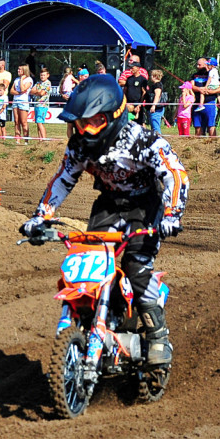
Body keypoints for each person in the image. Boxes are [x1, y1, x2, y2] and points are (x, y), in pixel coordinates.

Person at [20, 74, 189, 373]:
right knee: (90, 267)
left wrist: (172, 214)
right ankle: (97, 322)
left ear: (113, 116)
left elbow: (174, 174)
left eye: (93, 122)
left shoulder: (144, 140)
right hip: (108, 207)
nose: (85, 130)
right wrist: (40, 216)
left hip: (145, 208)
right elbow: (63, 179)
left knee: (137, 269)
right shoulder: (80, 147)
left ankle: (157, 335)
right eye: (81, 123)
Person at [10, 64, 33, 144]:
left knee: (23, 122)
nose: (18, 71)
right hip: (15, 101)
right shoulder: (16, 79)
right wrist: (19, 92)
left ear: (24, 70)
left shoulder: (29, 80)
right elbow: (11, 91)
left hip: (23, 102)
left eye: (20, 69)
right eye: (18, 69)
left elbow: (23, 88)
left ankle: (26, 140)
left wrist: (22, 80)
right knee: (16, 121)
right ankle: (17, 139)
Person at [30, 66, 52, 140]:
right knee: (38, 123)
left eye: (44, 75)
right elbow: (31, 91)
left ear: (48, 75)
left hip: (43, 105)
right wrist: (37, 92)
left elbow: (42, 93)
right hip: (37, 104)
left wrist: (36, 92)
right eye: (41, 75)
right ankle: (40, 140)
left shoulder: (48, 83)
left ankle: (44, 139)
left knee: (40, 122)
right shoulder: (38, 83)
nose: (42, 77)